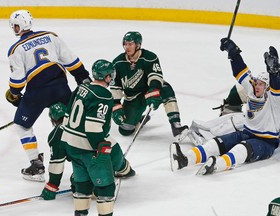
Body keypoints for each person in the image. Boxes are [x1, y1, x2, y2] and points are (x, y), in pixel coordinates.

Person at [170, 38, 280, 175]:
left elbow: (277, 88)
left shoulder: (274, 100)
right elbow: (241, 73)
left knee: (241, 149)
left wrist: (274, 73)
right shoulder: (252, 90)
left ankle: (218, 164)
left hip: (266, 142)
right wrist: (233, 53)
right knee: (217, 143)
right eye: (256, 83)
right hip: (246, 132)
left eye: (261, 84)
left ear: (268, 87)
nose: (257, 86)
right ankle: (185, 159)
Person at [5, 10, 92, 182]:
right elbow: (71, 60)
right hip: (60, 87)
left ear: (18, 26)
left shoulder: (16, 49)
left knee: (22, 125)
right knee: (71, 122)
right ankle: (88, 159)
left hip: (37, 92)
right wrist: (82, 77)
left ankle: (36, 165)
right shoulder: (51, 36)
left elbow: (18, 81)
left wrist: (14, 95)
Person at [62, 59, 123, 216]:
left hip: (71, 144)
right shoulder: (103, 95)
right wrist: (101, 149)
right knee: (106, 189)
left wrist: (66, 143)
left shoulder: (82, 87)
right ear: (107, 77)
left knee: (82, 186)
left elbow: (67, 114)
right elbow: (93, 128)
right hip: (88, 148)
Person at [41, 102, 135, 200]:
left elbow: (57, 164)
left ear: (53, 120)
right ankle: (125, 169)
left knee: (78, 184)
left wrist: (52, 186)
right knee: (120, 165)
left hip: (93, 162)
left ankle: (99, 187)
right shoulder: (84, 118)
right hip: (114, 150)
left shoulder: (56, 135)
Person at [110, 31, 188, 142]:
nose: (127, 47)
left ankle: (176, 125)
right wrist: (116, 105)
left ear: (138, 45)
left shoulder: (149, 57)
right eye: (125, 44)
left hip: (149, 91)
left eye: (130, 44)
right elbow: (115, 87)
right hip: (132, 98)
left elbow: (155, 77)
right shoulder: (118, 63)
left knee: (166, 89)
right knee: (125, 130)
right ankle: (139, 120)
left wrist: (154, 89)